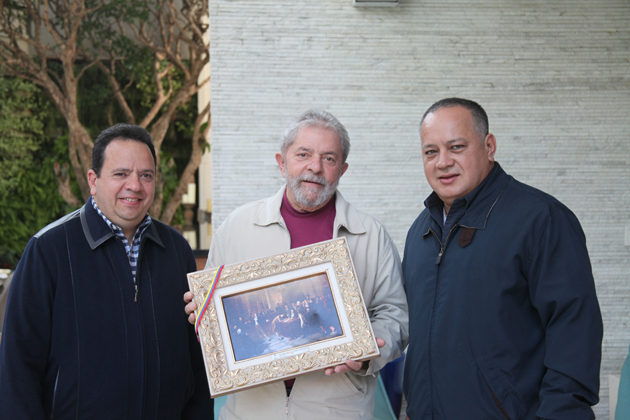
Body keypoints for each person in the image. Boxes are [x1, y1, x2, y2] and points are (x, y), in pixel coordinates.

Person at [185, 109, 409, 420]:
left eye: (329, 158)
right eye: (303, 154)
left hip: (337, 409)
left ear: (342, 169)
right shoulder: (236, 227)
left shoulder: (371, 236)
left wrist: (366, 351)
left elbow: (395, 315)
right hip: (251, 411)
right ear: (282, 162)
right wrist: (204, 315)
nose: (315, 167)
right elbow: (212, 314)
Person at [402, 98, 603, 420]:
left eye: (456, 147)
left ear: (489, 146)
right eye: (431, 151)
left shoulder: (541, 220)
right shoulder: (420, 232)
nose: (442, 162)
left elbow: (574, 331)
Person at [0, 124, 213, 419]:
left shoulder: (176, 250)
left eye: (145, 175)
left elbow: (196, 359)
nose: (135, 186)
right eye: (121, 174)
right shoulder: (49, 250)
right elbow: (17, 366)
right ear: (93, 179)